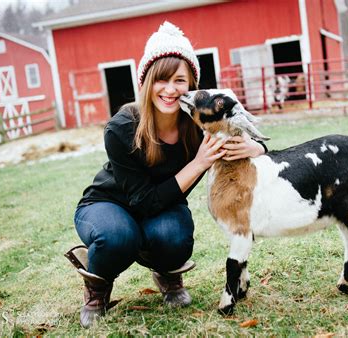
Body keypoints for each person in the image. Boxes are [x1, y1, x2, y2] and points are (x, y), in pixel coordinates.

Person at [65, 21, 267, 328]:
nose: (170, 90)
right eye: (161, 79)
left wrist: (257, 149)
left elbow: (243, 133)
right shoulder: (122, 127)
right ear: (146, 82)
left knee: (174, 237)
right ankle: (97, 287)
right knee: (119, 236)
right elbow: (143, 201)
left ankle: (166, 272)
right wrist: (198, 164)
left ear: (192, 85)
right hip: (108, 205)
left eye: (180, 80)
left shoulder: (198, 124)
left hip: (164, 207)